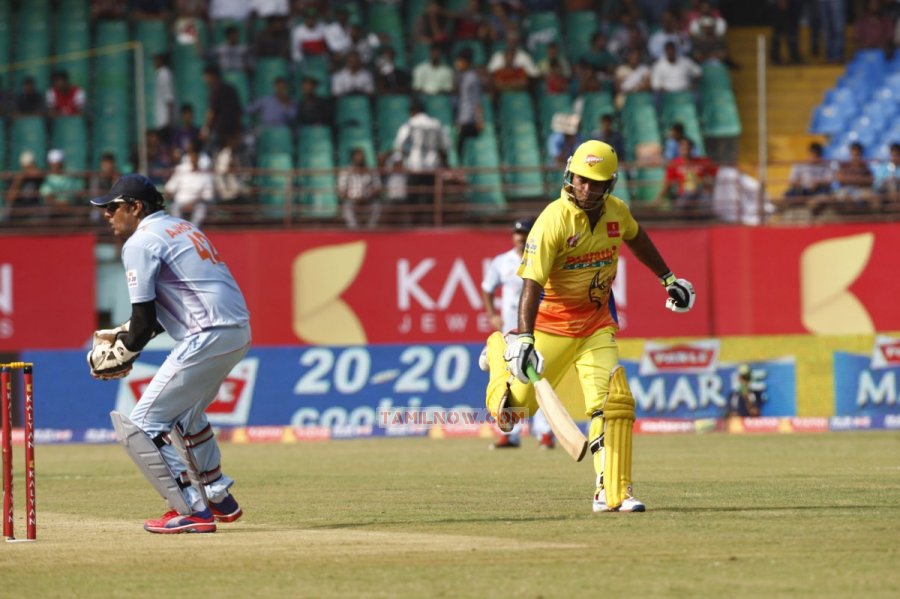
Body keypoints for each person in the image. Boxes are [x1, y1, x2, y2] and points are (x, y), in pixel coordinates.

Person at [480, 139, 696, 512]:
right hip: (551, 327)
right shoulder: (553, 220)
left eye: (597, 183)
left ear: (610, 184)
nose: (587, 189)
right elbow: (531, 283)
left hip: (596, 325)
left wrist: (668, 279)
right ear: (569, 175)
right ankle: (500, 352)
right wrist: (525, 338)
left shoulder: (617, 212)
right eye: (582, 180)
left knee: (609, 406)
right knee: (511, 418)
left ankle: (611, 490)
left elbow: (637, 238)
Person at [89, 173, 250, 534]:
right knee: (185, 416)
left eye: (113, 207)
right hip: (236, 330)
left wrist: (121, 355)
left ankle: (192, 509)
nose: (107, 214)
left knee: (142, 425)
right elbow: (169, 308)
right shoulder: (181, 227)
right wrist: (126, 335)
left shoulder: (140, 242)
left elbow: (144, 322)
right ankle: (215, 492)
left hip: (207, 334)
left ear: (136, 207)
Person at [480, 218, 554, 450]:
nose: (520, 237)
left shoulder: (544, 257)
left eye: (525, 233)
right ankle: (509, 434)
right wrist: (492, 314)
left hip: (536, 330)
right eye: (517, 232)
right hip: (509, 331)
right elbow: (487, 288)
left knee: (537, 380)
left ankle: (544, 433)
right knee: (505, 383)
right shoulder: (502, 262)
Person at [393, 98, 450, 225]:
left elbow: (399, 143)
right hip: (432, 163)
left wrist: (400, 157)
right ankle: (432, 222)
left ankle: (414, 222)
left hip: (415, 163)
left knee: (413, 194)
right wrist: (445, 161)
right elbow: (445, 145)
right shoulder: (436, 123)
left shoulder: (411, 123)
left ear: (413, 111)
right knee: (432, 195)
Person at [655, 138, 718, 216]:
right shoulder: (674, 164)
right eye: (683, 148)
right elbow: (668, 182)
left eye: (687, 148)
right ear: (679, 149)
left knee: (707, 204)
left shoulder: (703, 161)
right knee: (680, 208)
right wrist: (659, 197)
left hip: (702, 192)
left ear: (692, 149)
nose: (685, 151)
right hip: (685, 194)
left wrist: (710, 184)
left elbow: (717, 174)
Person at [165, 140, 215, 227]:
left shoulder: (205, 173)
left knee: (201, 209)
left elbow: (208, 195)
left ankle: (193, 229)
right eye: (191, 156)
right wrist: (170, 196)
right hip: (180, 203)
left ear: (199, 158)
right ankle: (180, 228)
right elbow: (170, 188)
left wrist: (193, 203)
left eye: (196, 156)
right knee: (174, 208)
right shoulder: (180, 170)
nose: (193, 158)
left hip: (197, 203)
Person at [200, 64, 243, 154]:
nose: (204, 79)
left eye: (206, 76)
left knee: (208, 154)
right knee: (230, 154)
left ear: (212, 75)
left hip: (220, 129)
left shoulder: (216, 90)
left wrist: (205, 129)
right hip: (232, 129)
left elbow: (212, 111)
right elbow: (239, 111)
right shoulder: (231, 88)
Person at [337, 147, 383, 229]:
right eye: (357, 156)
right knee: (346, 206)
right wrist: (353, 198)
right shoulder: (346, 171)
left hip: (368, 199)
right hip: (352, 200)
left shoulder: (371, 171)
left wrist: (368, 197)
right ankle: (354, 230)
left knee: (377, 206)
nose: (360, 158)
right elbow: (341, 190)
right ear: (352, 158)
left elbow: (378, 188)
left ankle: (370, 229)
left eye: (361, 156)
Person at [783, 141, 833, 213]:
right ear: (809, 153)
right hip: (802, 190)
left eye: (817, 156)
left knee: (825, 196)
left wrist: (819, 183)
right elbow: (792, 180)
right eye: (813, 155)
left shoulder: (826, 165)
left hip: (819, 190)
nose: (815, 158)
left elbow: (829, 180)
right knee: (788, 196)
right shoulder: (799, 164)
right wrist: (798, 184)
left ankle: (813, 203)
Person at [454, 47, 484, 161]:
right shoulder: (463, 77)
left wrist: (479, 120)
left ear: (466, 62)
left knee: (462, 148)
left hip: (470, 120)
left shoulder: (472, 78)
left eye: (459, 61)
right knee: (460, 147)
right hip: (463, 119)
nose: (457, 64)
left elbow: (476, 101)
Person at [5, 151, 45, 222]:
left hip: (33, 207)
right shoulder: (16, 178)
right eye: (27, 166)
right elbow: (10, 199)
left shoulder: (38, 177)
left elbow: (41, 174)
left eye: (31, 166)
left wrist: (33, 172)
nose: (29, 169)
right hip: (19, 207)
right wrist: (18, 181)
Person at [153, 53, 176, 134]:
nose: (154, 62)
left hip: (165, 120)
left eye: (156, 60)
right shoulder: (161, 74)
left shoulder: (164, 74)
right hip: (163, 119)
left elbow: (169, 98)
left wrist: (168, 120)